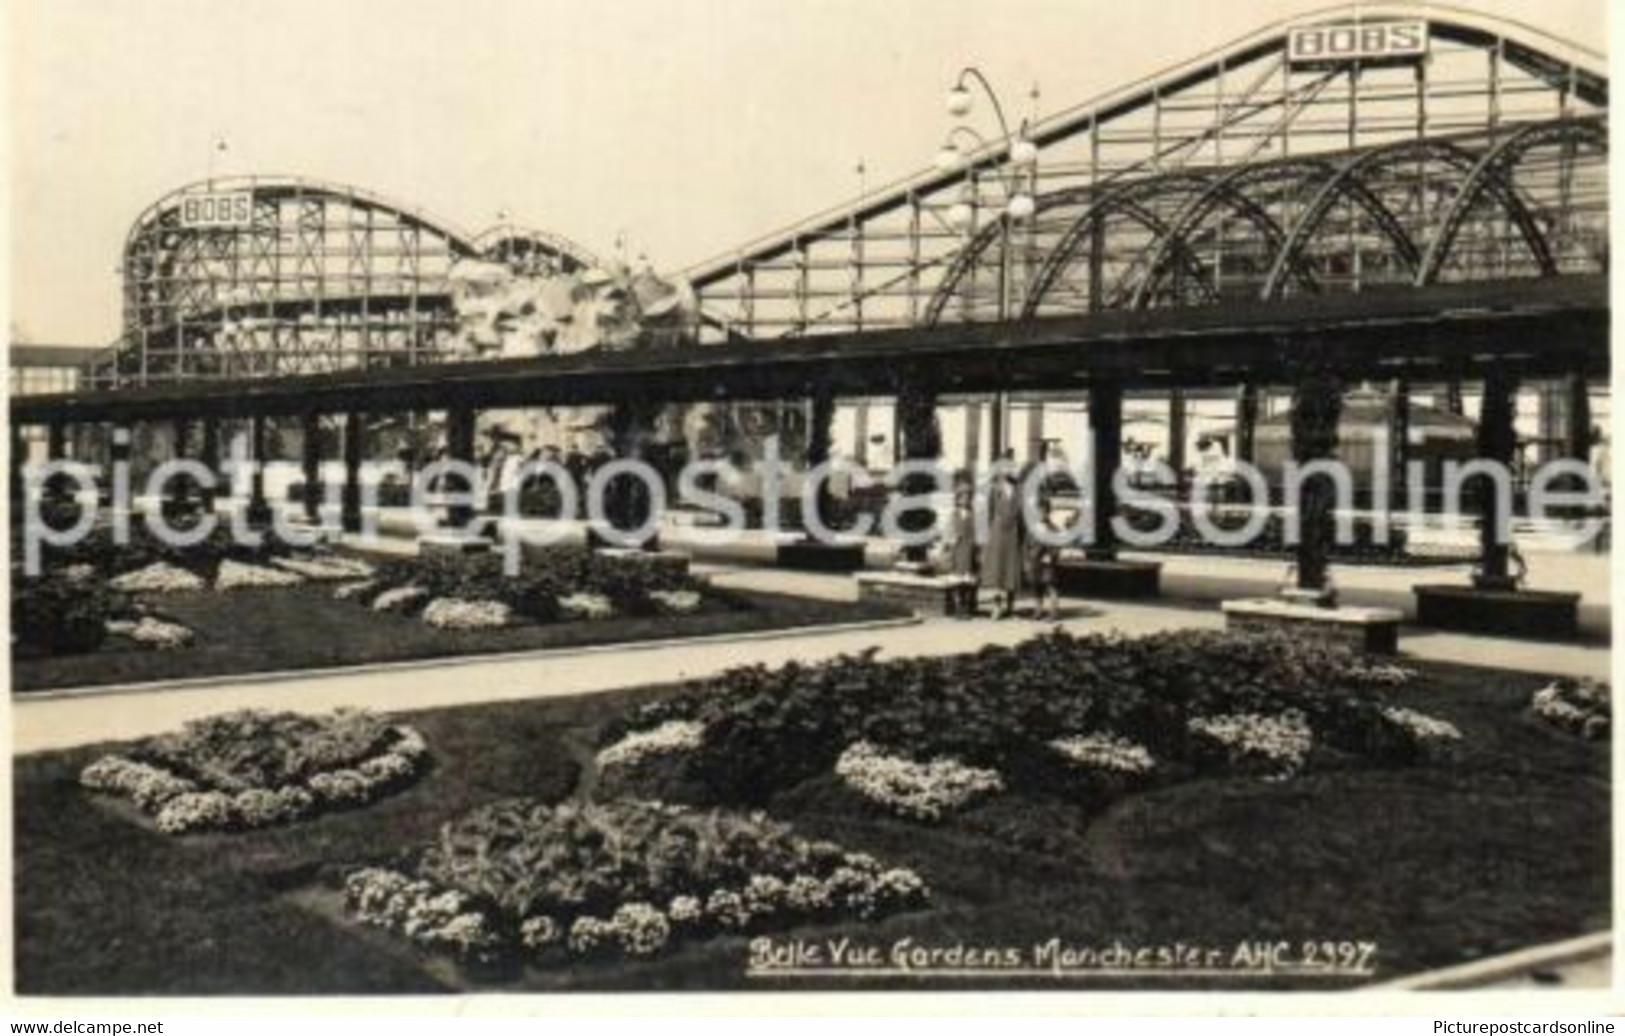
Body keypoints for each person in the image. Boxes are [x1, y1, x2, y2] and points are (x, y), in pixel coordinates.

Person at [982, 469, 1025, 619]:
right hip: (998, 532)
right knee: (998, 570)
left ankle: (1011, 608)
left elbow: (1022, 515)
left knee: (1011, 570)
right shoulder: (995, 489)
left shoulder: (1019, 490)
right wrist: (992, 531)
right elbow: (989, 512)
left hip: (1013, 533)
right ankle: (996, 606)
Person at [941, 485, 980, 618]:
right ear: (957, 499)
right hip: (957, 549)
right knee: (956, 581)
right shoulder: (954, 514)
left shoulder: (973, 514)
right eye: (962, 497)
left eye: (968, 497)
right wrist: (951, 540)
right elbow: (947, 531)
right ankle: (958, 607)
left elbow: (978, 532)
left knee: (967, 581)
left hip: (969, 550)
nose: (965, 500)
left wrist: (977, 547)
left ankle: (966, 607)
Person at [1024, 497, 1063, 622]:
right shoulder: (1032, 528)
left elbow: (1057, 545)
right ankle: (1038, 610)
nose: (1041, 514)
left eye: (1044, 511)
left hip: (1046, 562)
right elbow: (1026, 544)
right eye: (1038, 511)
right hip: (1034, 561)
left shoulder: (1052, 528)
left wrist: (1051, 556)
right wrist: (1027, 557)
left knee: (1050, 586)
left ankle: (1053, 612)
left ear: (1048, 512)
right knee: (1036, 587)